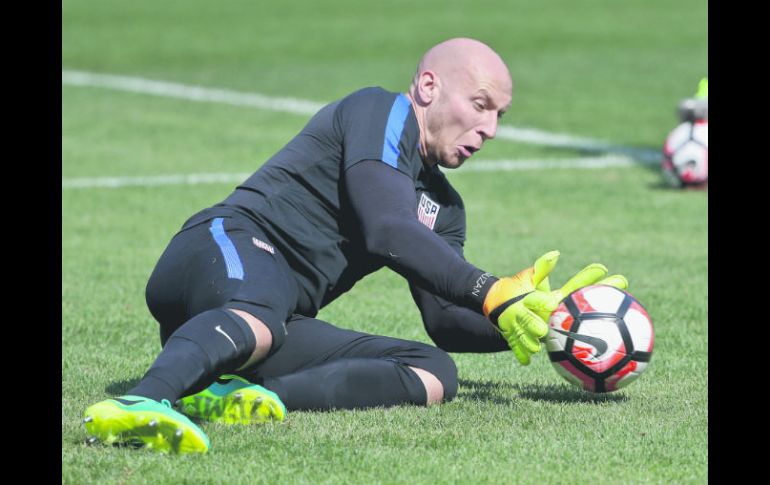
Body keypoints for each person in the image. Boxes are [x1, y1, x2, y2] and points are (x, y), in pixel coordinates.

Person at [83, 38, 627, 454]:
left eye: (499, 116)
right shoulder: (380, 111)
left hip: (266, 318)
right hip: (220, 246)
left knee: (433, 372)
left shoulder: (446, 208)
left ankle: (241, 396)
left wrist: (543, 323)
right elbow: (387, 229)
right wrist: (491, 289)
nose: (489, 128)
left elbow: (443, 319)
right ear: (429, 87)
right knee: (261, 312)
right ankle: (143, 400)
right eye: (480, 104)